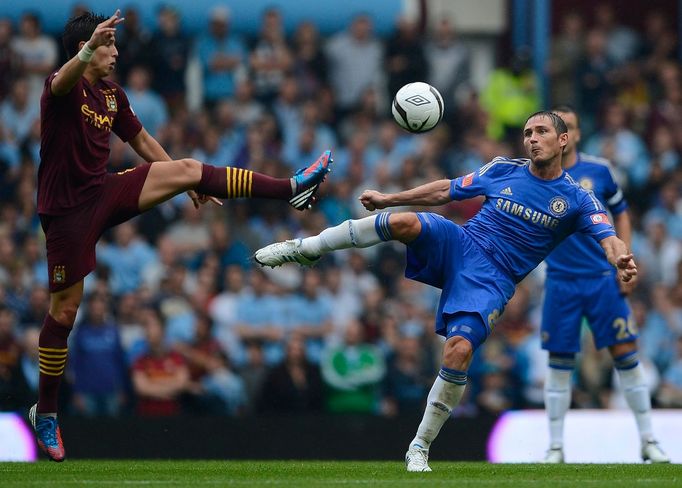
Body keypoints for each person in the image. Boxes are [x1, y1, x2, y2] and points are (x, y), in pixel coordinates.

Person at [255, 111, 637, 471]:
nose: (532, 139)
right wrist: (390, 198)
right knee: (405, 222)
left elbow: (609, 237)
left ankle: (419, 446)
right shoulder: (503, 168)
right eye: (527, 133)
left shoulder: (577, 199)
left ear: (564, 140)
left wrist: (620, 258)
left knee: (459, 351)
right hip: (462, 243)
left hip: (493, 279)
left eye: (541, 132)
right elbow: (447, 191)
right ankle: (306, 249)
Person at [28, 10, 331, 462]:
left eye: (113, 45)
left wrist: (186, 183)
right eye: (108, 45)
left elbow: (144, 142)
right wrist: (90, 44)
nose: (115, 53)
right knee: (65, 313)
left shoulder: (112, 95)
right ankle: (46, 412)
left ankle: (290, 188)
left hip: (103, 192)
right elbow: (59, 82)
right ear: (85, 48)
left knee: (189, 167)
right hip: (67, 214)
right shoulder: (64, 87)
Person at [539, 106, 669, 463]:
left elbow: (622, 211)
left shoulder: (599, 171)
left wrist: (623, 259)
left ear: (576, 135)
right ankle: (555, 446)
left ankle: (648, 440)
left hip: (600, 279)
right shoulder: (534, 174)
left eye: (570, 127)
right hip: (560, 281)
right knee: (559, 361)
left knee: (626, 354)